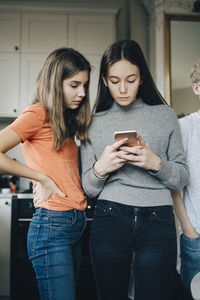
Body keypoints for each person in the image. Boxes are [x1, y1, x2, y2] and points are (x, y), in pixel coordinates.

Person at [80, 39, 189, 300]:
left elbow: (182, 176)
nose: (123, 88)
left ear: (142, 77)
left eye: (131, 79)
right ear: (105, 81)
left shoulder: (165, 115)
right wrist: (100, 169)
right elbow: (88, 188)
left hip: (158, 219)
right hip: (110, 217)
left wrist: (155, 163)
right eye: (115, 81)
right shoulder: (92, 122)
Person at [0, 47, 91, 300]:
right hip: (52, 227)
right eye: (74, 85)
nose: (82, 93)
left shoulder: (60, 119)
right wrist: (40, 177)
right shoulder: (37, 113)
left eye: (84, 85)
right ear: (54, 82)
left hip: (73, 223)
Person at [172, 59, 200, 297]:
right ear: (196, 87)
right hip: (196, 236)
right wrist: (188, 229)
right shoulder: (184, 127)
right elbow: (174, 187)